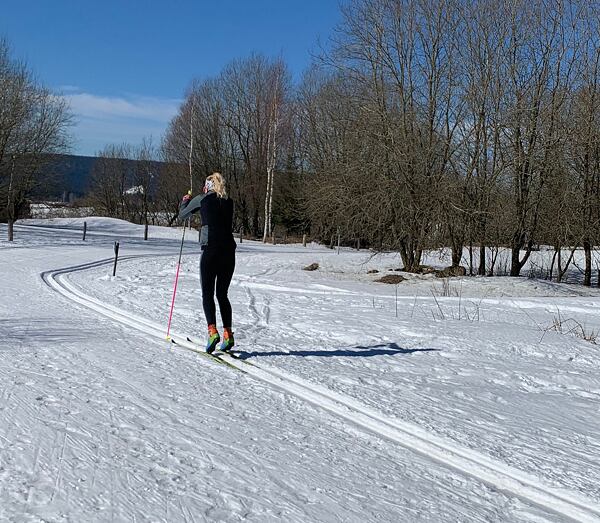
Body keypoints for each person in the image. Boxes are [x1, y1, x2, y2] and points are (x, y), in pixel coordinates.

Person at [179, 172, 236, 353]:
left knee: (207, 293)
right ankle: (228, 334)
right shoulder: (229, 202)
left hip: (210, 250)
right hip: (229, 252)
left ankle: (212, 331)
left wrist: (185, 201)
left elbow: (183, 215)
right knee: (222, 294)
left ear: (207, 186)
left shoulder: (202, 199)